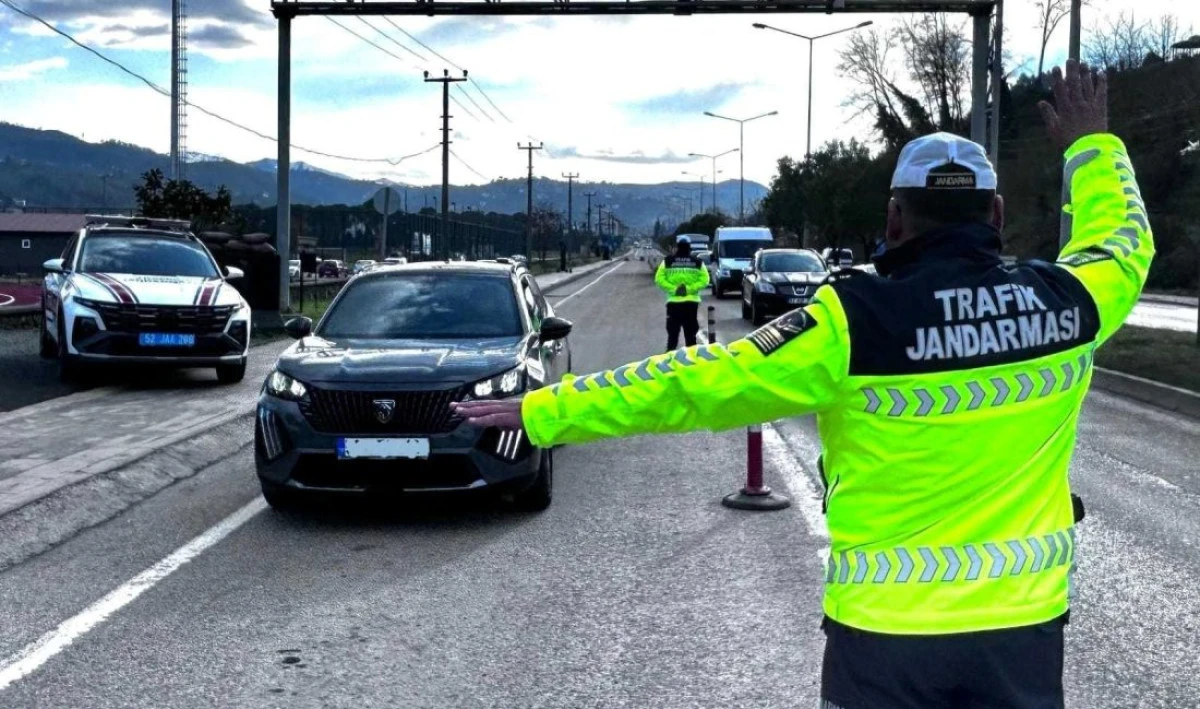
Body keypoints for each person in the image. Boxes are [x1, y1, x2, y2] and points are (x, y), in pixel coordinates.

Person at [454, 61, 1152, 708]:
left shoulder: (852, 319)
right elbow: (1122, 241)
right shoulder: (1069, 303)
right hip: (1023, 635)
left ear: (894, 219)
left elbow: (696, 381)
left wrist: (546, 408)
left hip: (885, 642)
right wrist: (1091, 146)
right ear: (996, 217)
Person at [654, 235, 710, 351]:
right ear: (689, 247)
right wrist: (689, 289)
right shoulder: (697, 262)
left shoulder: (668, 261)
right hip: (691, 303)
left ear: (677, 246)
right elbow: (705, 280)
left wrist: (674, 289)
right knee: (690, 336)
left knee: (672, 336)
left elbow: (659, 279)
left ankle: (669, 364)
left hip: (674, 303)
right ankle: (692, 362)